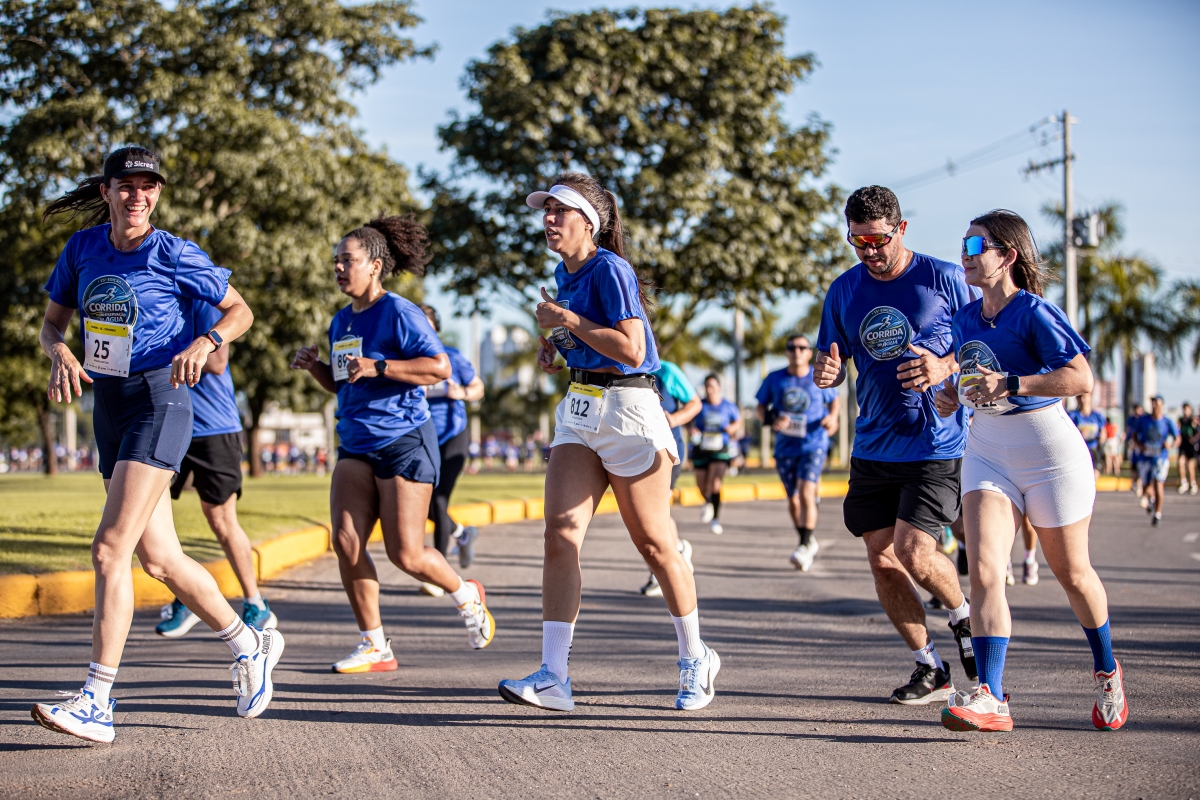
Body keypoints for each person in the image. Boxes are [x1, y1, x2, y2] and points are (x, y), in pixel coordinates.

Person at [32, 146, 278, 743]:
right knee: (160, 561)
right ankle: (247, 643)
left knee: (109, 550)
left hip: (160, 400)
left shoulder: (173, 252)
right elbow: (51, 324)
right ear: (106, 192)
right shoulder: (82, 249)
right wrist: (59, 351)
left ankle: (97, 700)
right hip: (109, 407)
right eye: (126, 185)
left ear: (158, 194)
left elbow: (240, 311)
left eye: (149, 186)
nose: (137, 196)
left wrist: (205, 341)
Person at [497, 173, 719, 713]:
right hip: (580, 409)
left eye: (560, 210)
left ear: (589, 222)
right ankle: (554, 676)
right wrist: (557, 346)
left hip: (630, 410)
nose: (549, 219)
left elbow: (632, 348)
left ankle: (696, 656)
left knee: (655, 544)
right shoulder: (563, 273)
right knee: (560, 535)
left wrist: (568, 320)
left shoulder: (610, 268)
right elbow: (586, 340)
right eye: (546, 211)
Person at [935, 209, 1128, 732]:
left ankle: (1107, 670)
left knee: (1073, 574)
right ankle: (991, 696)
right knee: (986, 571)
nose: (965, 256)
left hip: (1048, 456)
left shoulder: (1035, 312)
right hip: (987, 450)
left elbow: (1080, 378)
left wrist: (1012, 383)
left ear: (1008, 256)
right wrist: (950, 393)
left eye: (975, 247)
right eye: (963, 245)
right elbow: (968, 379)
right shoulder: (965, 319)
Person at [290, 214, 495, 674]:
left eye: (348, 260)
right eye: (336, 260)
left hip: (404, 440)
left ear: (375, 266)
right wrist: (315, 367)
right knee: (346, 542)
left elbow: (439, 367)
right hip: (355, 442)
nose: (339, 267)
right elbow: (343, 383)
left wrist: (380, 366)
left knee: (406, 554)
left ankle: (466, 595)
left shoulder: (400, 312)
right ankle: (374, 644)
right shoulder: (341, 321)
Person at [814, 185, 977, 705]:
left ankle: (963, 618)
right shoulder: (844, 290)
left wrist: (945, 366)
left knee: (914, 552)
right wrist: (828, 372)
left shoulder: (944, 279)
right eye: (858, 241)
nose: (869, 251)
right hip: (873, 446)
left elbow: (984, 345)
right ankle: (930, 666)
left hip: (934, 443)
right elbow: (831, 360)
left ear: (901, 229)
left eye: (878, 240)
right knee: (882, 560)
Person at [156, 300, 276, 637]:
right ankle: (188, 596)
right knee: (153, 513)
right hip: (168, 423)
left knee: (221, 519)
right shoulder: (154, 300)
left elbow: (219, 361)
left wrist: (158, 349)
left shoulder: (201, 302)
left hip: (213, 428)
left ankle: (256, 604)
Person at [756, 333, 840, 572]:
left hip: (814, 444)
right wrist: (772, 419)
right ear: (787, 352)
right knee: (793, 500)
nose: (797, 352)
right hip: (785, 448)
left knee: (805, 493)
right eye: (792, 347)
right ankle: (806, 538)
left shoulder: (818, 376)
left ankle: (804, 545)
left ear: (809, 352)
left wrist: (832, 418)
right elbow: (760, 407)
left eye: (802, 347)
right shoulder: (775, 378)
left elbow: (834, 400)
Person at [418, 303, 486, 597]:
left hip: (453, 435)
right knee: (423, 505)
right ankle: (462, 534)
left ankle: (438, 574)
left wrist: (464, 393)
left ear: (436, 328)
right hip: (421, 438)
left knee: (439, 498)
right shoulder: (406, 360)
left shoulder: (452, 357)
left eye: (427, 324)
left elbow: (479, 387)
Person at [639, 358, 702, 597]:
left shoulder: (666, 371)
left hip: (667, 450)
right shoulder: (615, 366)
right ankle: (678, 548)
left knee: (655, 512)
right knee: (649, 513)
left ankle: (660, 571)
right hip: (634, 451)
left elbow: (694, 403)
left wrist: (674, 419)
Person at [690, 374, 742, 535]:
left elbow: (738, 421)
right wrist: (692, 430)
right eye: (707, 386)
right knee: (701, 485)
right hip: (701, 448)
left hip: (720, 448)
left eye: (712, 386)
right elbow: (688, 421)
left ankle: (715, 519)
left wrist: (732, 429)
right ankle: (708, 502)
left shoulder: (728, 406)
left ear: (719, 387)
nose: (709, 389)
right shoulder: (699, 405)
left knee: (715, 483)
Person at [1132, 395, 1177, 527]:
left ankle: (1157, 514)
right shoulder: (1143, 420)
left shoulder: (1167, 421)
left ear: (1162, 405)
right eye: (1152, 402)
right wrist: (1139, 445)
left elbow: (1177, 437)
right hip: (1145, 457)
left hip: (1160, 457)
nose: (1154, 405)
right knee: (1146, 487)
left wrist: (1171, 444)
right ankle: (1151, 499)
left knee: (1158, 483)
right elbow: (1134, 434)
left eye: (1157, 403)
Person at [1069, 393, 1106, 481]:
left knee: (1094, 476)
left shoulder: (1097, 416)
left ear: (1090, 398)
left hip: (1093, 450)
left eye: (1085, 397)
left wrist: (1102, 437)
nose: (1083, 400)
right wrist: (1079, 435)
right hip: (1078, 451)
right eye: (1080, 397)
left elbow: (1103, 434)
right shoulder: (1072, 416)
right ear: (1077, 399)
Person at [1177, 402, 1198, 495]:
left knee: (1190, 465)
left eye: (1187, 409)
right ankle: (1184, 482)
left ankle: (1193, 483)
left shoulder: (1192, 420)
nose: (1185, 411)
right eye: (1184, 409)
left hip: (1190, 445)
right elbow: (1177, 430)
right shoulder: (1181, 420)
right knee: (1180, 462)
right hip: (1183, 443)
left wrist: (1194, 438)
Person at [1126, 403, 1146, 502]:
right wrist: (1128, 441)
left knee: (1141, 466)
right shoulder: (1131, 419)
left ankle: (1140, 486)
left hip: (1142, 447)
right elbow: (1128, 431)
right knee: (1134, 465)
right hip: (1133, 445)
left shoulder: (1144, 420)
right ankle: (1135, 482)